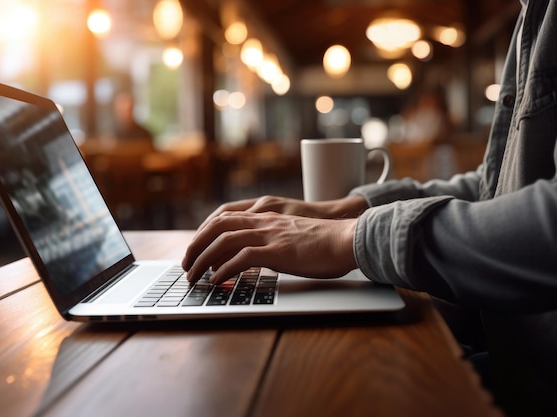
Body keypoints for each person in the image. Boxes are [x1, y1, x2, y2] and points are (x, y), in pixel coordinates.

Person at [182, 1, 557, 416]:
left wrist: (352, 236)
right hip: (508, 345)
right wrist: (344, 209)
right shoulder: (531, 12)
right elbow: (495, 191)